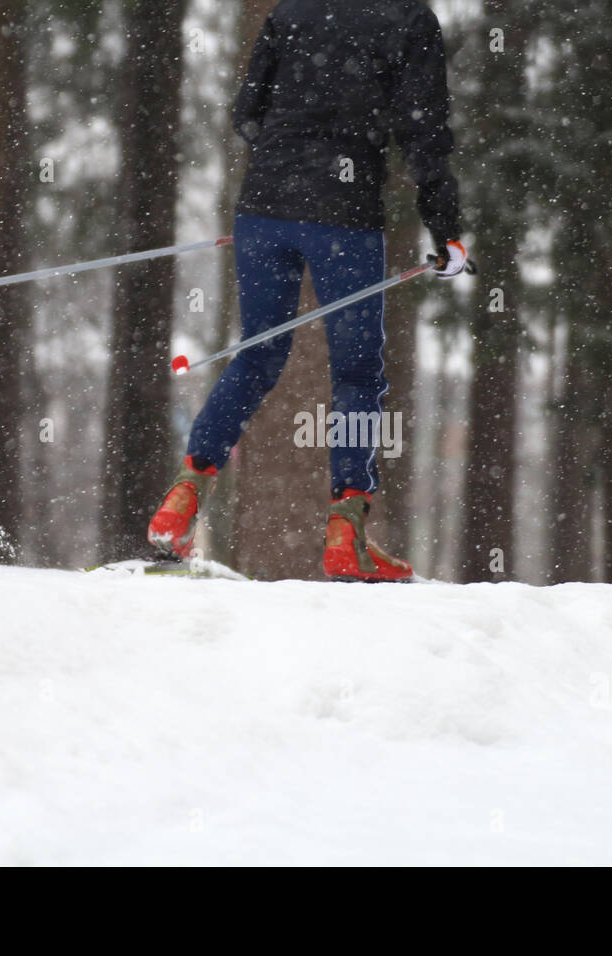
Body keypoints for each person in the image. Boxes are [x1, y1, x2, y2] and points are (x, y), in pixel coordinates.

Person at [148, 0, 471, 581]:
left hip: (262, 209)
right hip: (344, 219)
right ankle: (347, 532)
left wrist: (285, 179)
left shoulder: (291, 9)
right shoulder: (409, 17)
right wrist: (446, 230)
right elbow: (424, 133)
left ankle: (184, 495)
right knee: (357, 376)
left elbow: (247, 113)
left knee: (257, 355)